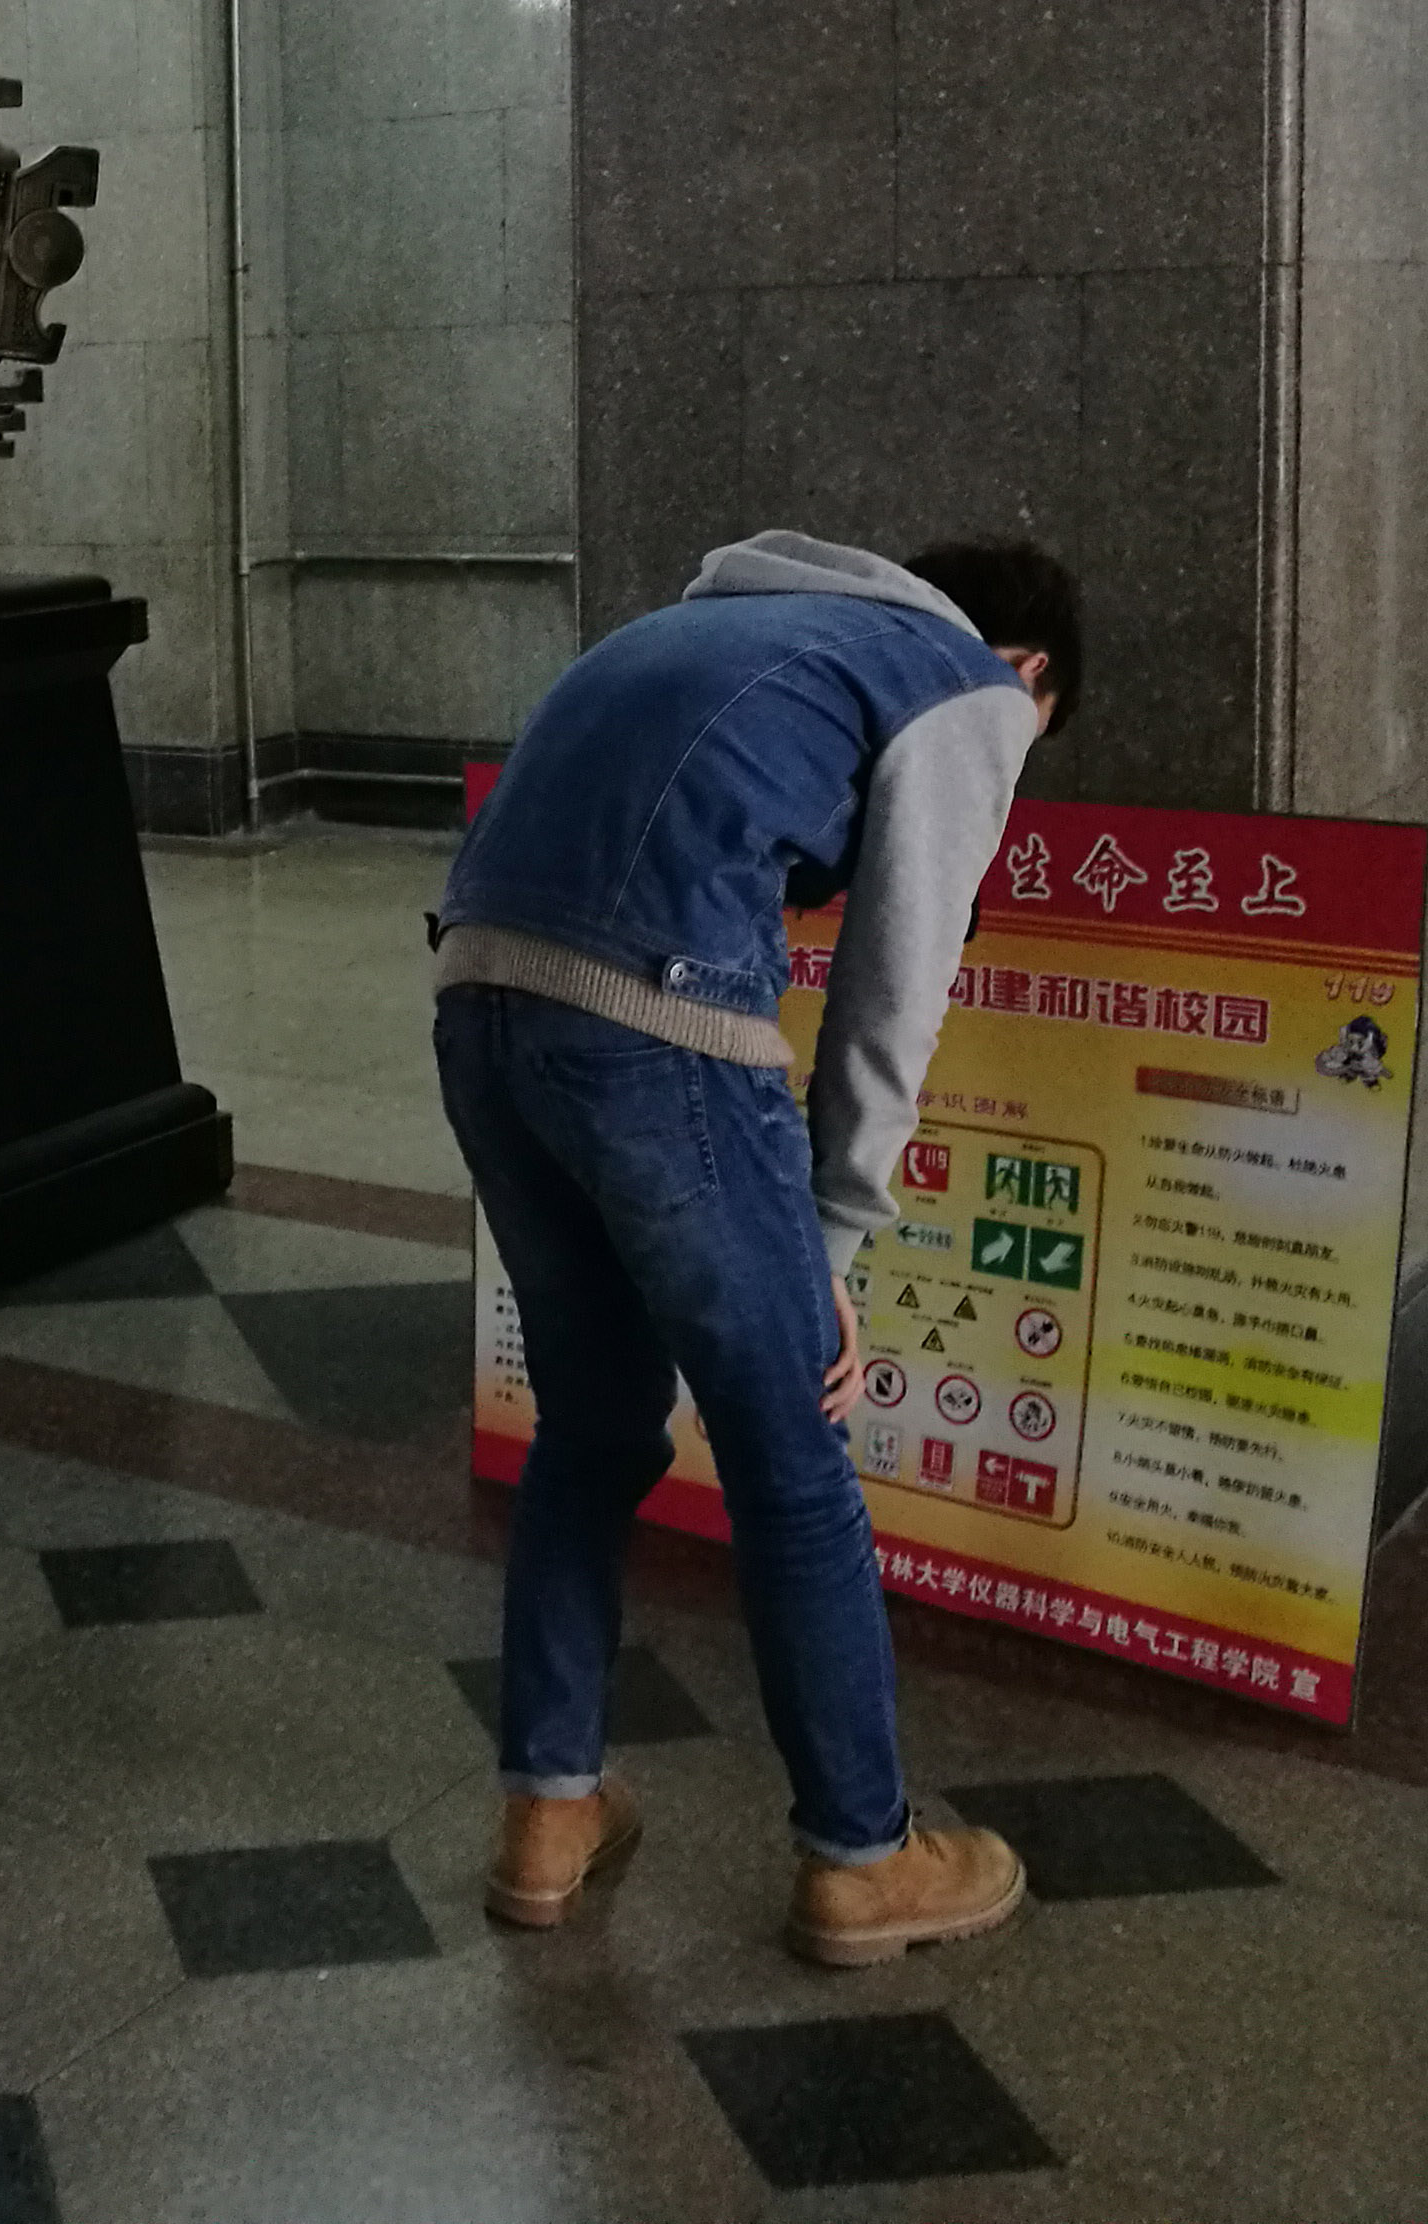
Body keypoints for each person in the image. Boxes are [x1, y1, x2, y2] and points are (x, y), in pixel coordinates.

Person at [433, 531, 1081, 1969]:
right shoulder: (964, 681)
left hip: (476, 1004)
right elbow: (893, 993)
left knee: (592, 1424)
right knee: (790, 1445)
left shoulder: (710, 626)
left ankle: (548, 1808)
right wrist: (830, 1234)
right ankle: (861, 1856)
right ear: (1030, 670)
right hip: (653, 1033)